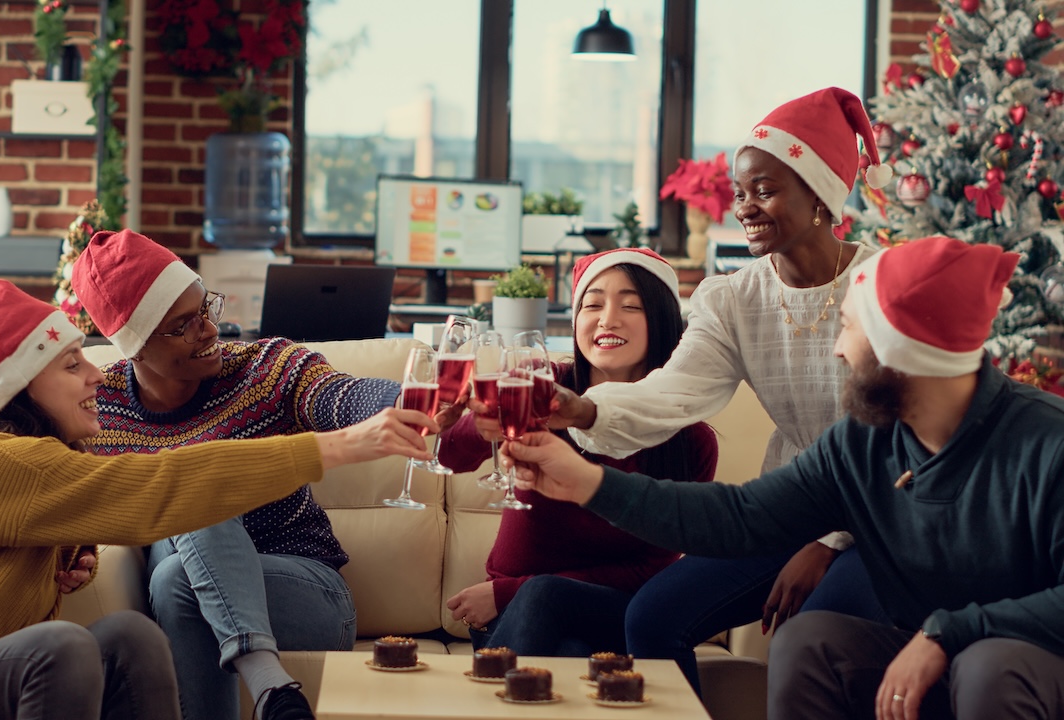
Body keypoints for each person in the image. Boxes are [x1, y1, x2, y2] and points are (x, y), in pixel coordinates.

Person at [0, 279, 436, 720]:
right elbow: (159, 487)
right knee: (62, 646)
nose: (95, 375)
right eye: (70, 366)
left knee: (130, 638)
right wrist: (332, 449)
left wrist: (59, 556)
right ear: (21, 392)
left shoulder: (42, 461)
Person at [506, 236, 1064, 720]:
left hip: (1032, 652)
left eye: (848, 331)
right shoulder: (864, 443)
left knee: (992, 664)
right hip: (928, 642)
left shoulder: (1046, 443)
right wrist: (586, 481)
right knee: (808, 640)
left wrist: (951, 631)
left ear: (903, 346)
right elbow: (739, 518)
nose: (839, 352)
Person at [546, 87, 893, 692]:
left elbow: (906, 443)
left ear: (820, 196)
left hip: (882, 523)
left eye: (765, 190)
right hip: (785, 510)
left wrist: (829, 541)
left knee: (809, 641)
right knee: (652, 618)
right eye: (741, 192)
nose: (746, 207)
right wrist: (580, 407)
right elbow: (673, 395)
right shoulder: (733, 298)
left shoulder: (884, 285)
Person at [71, 229, 455, 720]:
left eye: (206, 308)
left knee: (190, 494)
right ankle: (274, 691)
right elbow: (74, 502)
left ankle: (271, 687)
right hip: (177, 591)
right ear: (135, 348)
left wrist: (403, 402)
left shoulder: (265, 368)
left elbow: (338, 396)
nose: (208, 330)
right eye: (182, 325)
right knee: (174, 570)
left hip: (305, 591)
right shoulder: (99, 414)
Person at [438, 248, 717, 656]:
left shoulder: (688, 438)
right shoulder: (539, 386)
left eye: (631, 305)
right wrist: (484, 420)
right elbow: (451, 457)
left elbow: (652, 568)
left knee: (544, 596)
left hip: (604, 610)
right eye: (593, 304)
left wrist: (511, 591)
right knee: (566, 652)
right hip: (516, 618)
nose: (607, 319)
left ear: (660, 320)